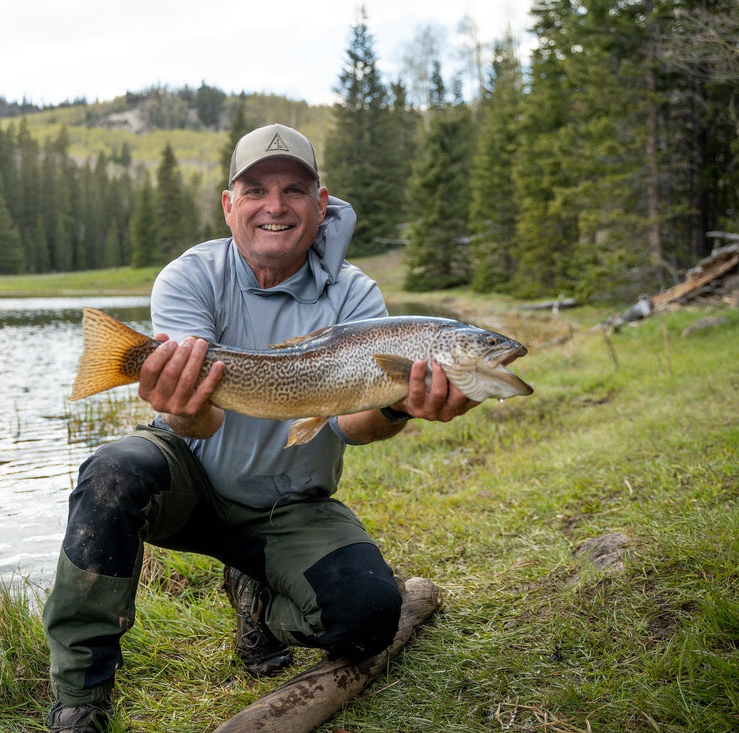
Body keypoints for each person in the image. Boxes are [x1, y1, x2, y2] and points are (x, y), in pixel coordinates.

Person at [43, 123, 477, 732]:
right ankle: (79, 698)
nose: (275, 206)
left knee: (370, 617)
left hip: (291, 503)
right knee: (112, 472)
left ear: (321, 204)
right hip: (188, 478)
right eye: (255, 191)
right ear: (229, 205)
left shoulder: (355, 296)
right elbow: (200, 418)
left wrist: (401, 405)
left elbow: (353, 427)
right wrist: (182, 402)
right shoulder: (189, 277)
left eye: (294, 190)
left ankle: (260, 605)